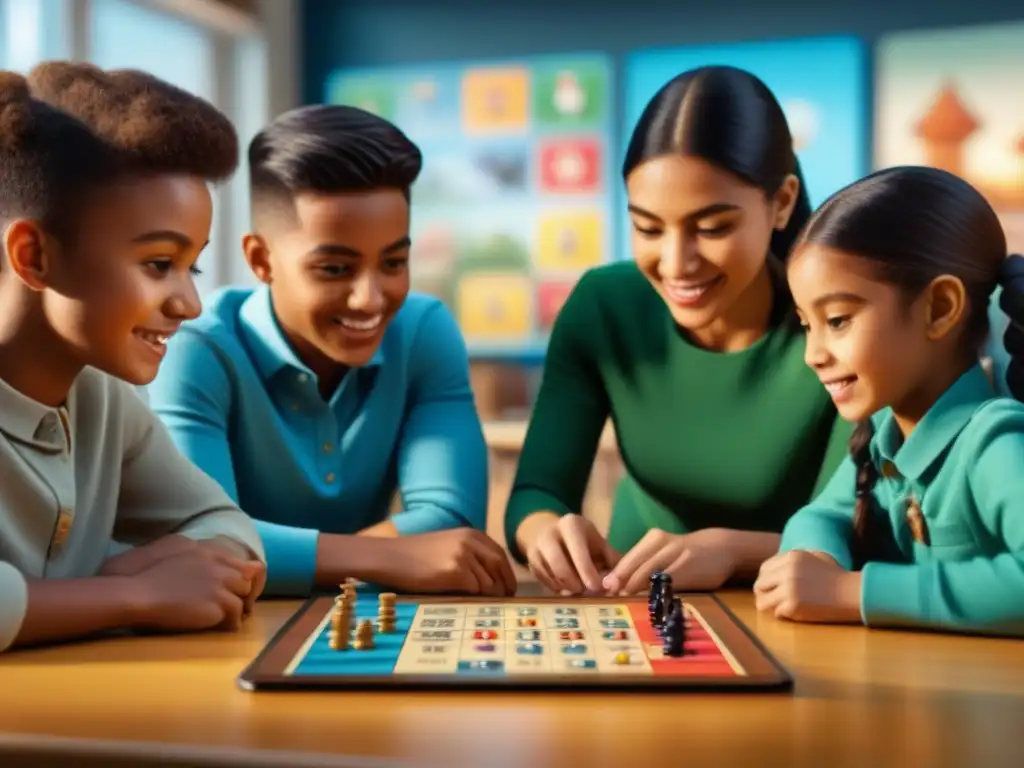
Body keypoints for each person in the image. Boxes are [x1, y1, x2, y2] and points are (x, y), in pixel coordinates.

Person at [504, 65, 855, 596]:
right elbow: (535, 493)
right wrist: (546, 533)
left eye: (712, 228)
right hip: (628, 600)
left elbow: (862, 530)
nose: (676, 263)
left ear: (781, 202)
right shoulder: (604, 305)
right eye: (647, 227)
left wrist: (732, 551)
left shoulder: (840, 327)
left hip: (794, 609)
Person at [147, 104, 516, 598]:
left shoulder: (425, 330)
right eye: (335, 269)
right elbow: (206, 547)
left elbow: (450, 524)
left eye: (394, 261)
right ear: (261, 259)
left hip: (353, 627)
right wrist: (386, 557)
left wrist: (275, 555)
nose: (370, 298)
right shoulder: (198, 349)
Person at [0, 63, 265, 653]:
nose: (191, 304)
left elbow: (230, 529)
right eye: (157, 264)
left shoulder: (104, 396)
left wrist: (161, 570)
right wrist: (128, 594)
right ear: (33, 255)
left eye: (191, 265)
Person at [754, 166, 1024, 636]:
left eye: (837, 320)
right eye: (806, 324)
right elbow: (822, 514)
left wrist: (848, 592)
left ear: (939, 308)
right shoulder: (884, 437)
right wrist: (816, 560)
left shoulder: (995, 443)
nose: (814, 355)